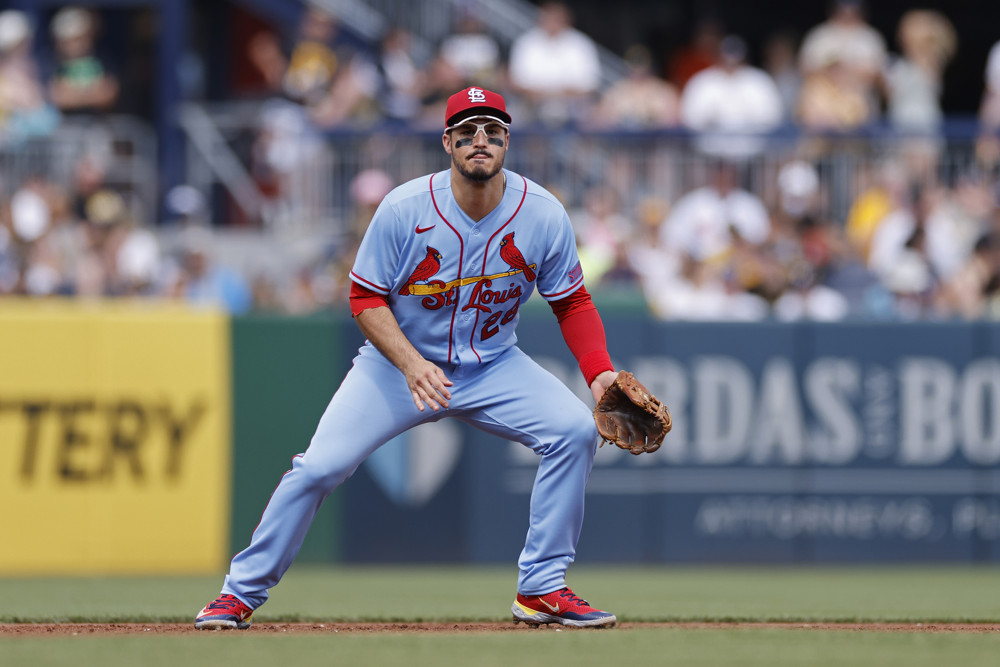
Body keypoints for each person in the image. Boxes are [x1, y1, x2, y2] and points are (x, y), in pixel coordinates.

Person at [194, 86, 621, 630]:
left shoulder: (542, 213)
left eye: (492, 129)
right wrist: (410, 364)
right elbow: (364, 298)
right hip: (395, 366)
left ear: (507, 141)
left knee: (574, 431)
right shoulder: (404, 207)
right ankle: (239, 593)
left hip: (493, 364)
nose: (480, 140)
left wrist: (599, 371)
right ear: (447, 143)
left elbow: (573, 301)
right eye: (467, 131)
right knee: (318, 468)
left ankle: (541, 588)